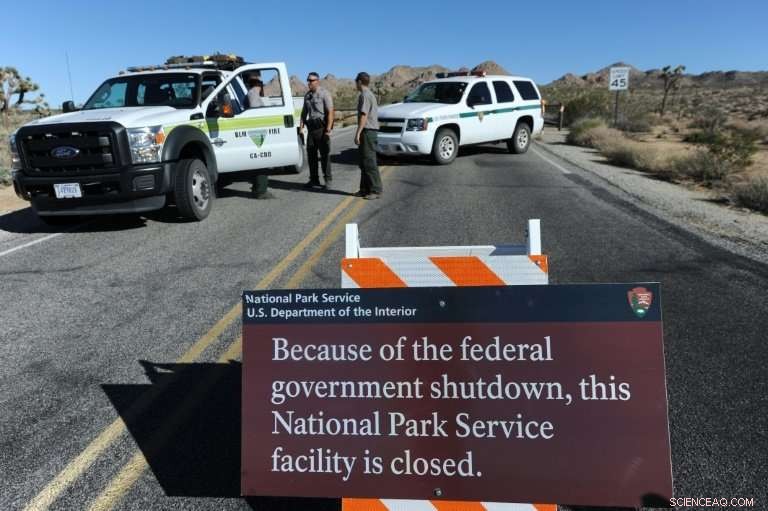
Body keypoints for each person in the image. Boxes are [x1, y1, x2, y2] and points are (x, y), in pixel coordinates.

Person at [300, 72, 334, 189]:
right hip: (311, 129)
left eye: (311, 80)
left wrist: (328, 129)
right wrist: (301, 127)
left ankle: (328, 180)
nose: (309, 82)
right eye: (308, 80)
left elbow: (330, 112)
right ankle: (314, 180)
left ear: (317, 81)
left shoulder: (324, 94)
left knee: (324, 156)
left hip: (322, 128)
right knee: (311, 156)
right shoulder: (307, 96)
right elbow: (303, 113)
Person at [354, 72, 382, 200]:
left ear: (359, 82)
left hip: (368, 131)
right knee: (363, 162)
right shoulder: (368, 94)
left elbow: (364, 116)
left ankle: (375, 190)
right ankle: (364, 189)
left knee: (369, 161)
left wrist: (358, 133)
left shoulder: (365, 95)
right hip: (368, 131)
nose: (356, 84)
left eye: (356, 82)